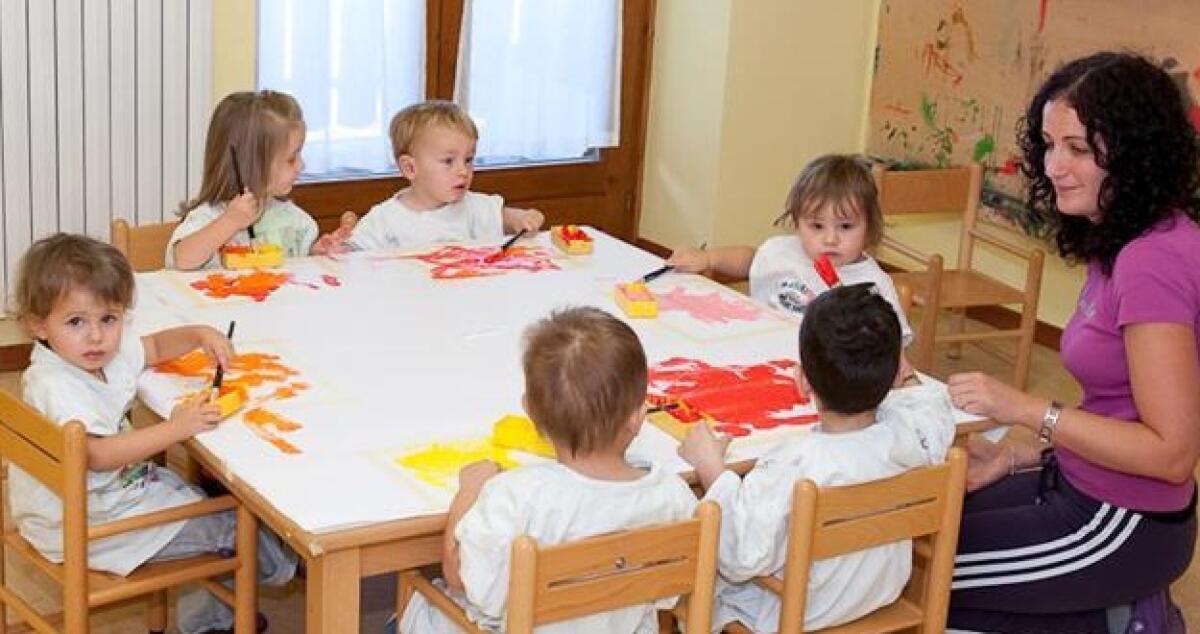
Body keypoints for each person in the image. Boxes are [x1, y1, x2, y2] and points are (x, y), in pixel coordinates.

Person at [946, 52, 1200, 633]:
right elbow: (1115, 407)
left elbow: (1171, 453)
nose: (1055, 166)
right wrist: (1016, 456)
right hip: (1075, 481)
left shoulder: (1152, 260)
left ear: (1134, 154)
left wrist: (1024, 408)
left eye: (1078, 149)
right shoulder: (1121, 235)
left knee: (908, 576)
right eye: (1049, 145)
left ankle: (1114, 620)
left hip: (1122, 521)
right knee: (916, 540)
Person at [9, 234, 297, 634]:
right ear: (38, 324)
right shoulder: (56, 384)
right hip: (91, 528)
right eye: (76, 322)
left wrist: (199, 334)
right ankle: (284, 568)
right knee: (238, 524)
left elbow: (156, 346)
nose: (96, 336)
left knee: (210, 499)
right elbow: (97, 456)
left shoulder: (94, 355)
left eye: (109, 319)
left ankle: (214, 618)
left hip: (97, 503)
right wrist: (175, 429)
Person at [392, 307, 697, 633]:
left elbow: (458, 575)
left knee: (417, 600)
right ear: (638, 416)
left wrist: (468, 492)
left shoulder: (516, 497)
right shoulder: (674, 496)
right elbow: (672, 593)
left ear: (531, 412)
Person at [678, 283, 955, 631]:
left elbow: (739, 555)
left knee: (690, 571)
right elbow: (933, 409)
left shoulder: (796, 464)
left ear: (803, 380)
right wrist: (905, 374)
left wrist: (712, 469)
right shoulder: (913, 436)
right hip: (875, 595)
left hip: (799, 612)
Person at [667, 154, 914, 380]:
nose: (830, 239)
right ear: (797, 222)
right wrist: (709, 258)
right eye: (817, 226)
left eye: (846, 227)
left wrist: (899, 367)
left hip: (826, 380)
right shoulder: (784, 251)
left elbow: (891, 350)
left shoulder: (874, 286)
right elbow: (752, 260)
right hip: (754, 358)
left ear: (870, 226)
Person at [166, 89, 349, 269]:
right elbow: (182, 260)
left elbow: (296, 268)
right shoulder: (210, 216)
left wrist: (316, 254)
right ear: (252, 164)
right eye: (291, 159)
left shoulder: (292, 219)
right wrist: (229, 222)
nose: (301, 166)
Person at [347, 100, 544, 252]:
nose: (463, 171)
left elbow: (501, 216)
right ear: (410, 168)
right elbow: (352, 254)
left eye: (468, 159)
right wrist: (340, 246)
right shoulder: (385, 218)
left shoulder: (472, 206)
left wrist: (521, 218)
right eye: (448, 161)